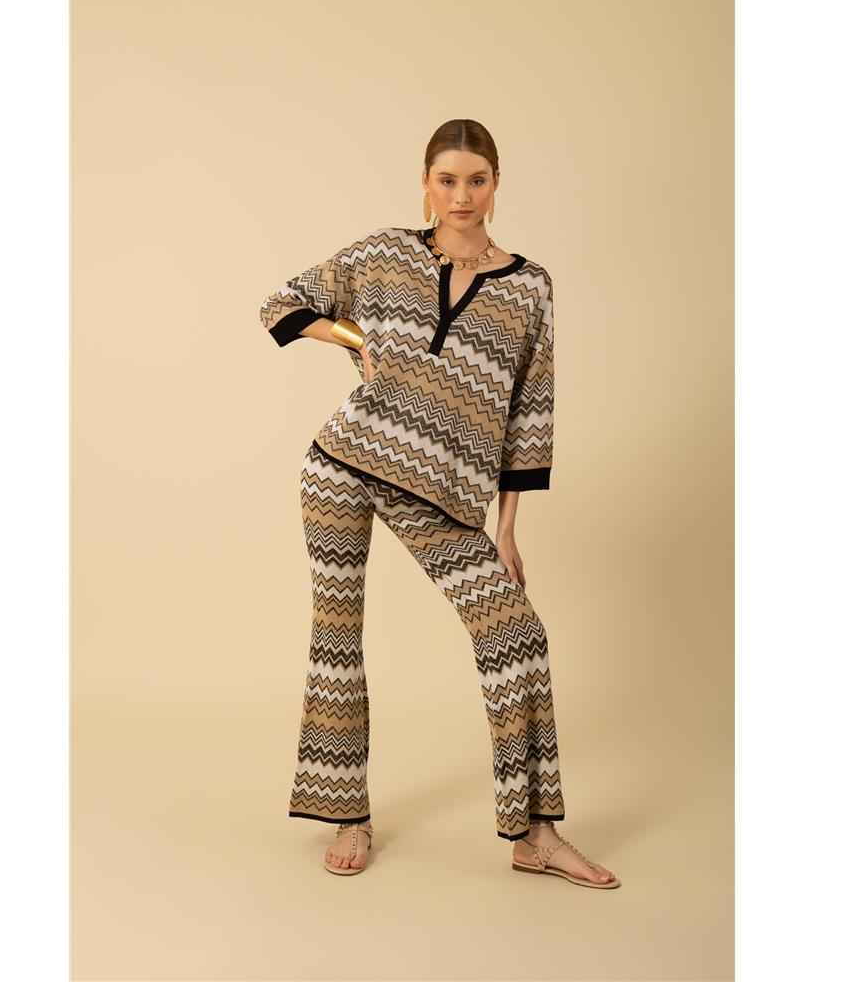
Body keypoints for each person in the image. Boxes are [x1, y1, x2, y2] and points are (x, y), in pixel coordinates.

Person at [259, 119, 618, 888]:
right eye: (447, 179)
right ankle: (348, 814)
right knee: (337, 639)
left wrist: (508, 529)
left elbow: (531, 412)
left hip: (444, 495)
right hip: (344, 464)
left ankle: (537, 834)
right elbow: (281, 304)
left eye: (476, 180)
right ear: (425, 182)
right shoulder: (384, 253)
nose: (461, 195)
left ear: (497, 184)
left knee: (517, 635)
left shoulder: (529, 287)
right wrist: (355, 338)